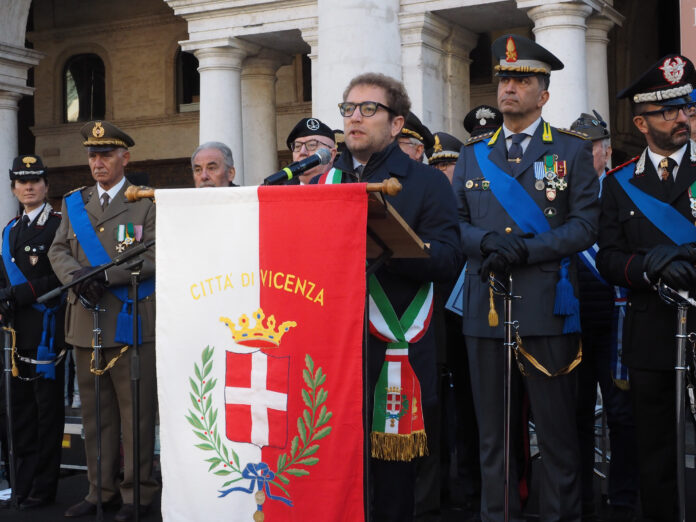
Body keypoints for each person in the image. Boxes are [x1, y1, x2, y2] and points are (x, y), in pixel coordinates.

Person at [452, 34, 599, 520]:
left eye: (522, 80)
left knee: (556, 436)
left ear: (544, 93)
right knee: (494, 436)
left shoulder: (572, 152)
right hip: (486, 308)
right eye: (505, 79)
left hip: (546, 307)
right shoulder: (474, 154)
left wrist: (526, 249)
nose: (509, 88)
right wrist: (487, 243)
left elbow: (584, 225)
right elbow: (455, 224)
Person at [313, 72, 462, 521]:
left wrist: (385, 244)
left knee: (393, 491)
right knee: (333, 475)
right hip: (332, 351)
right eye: (348, 109)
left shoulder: (425, 182)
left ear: (396, 125)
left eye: (368, 109)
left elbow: (449, 260)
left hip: (396, 353)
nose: (354, 118)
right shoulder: (325, 182)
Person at [596, 54, 696, 522]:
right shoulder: (619, 184)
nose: (681, 118)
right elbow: (609, 258)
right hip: (650, 334)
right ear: (641, 121)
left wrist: (684, 259)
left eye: (686, 108)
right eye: (668, 111)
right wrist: (649, 269)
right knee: (655, 450)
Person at [48, 120, 158, 521]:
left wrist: (102, 275)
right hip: (85, 321)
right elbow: (58, 250)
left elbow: (155, 255)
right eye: (93, 156)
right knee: (96, 417)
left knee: (137, 416)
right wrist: (75, 278)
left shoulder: (146, 202)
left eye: (106, 155)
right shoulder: (75, 202)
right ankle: (100, 490)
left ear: (124, 157)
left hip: (130, 321)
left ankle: (138, 494)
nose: (98, 162)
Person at [569, 111, 638, 521]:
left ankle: (625, 499)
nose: (582, 155)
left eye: (589, 148)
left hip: (617, 319)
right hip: (573, 320)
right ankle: (582, 501)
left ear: (605, 151)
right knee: (575, 414)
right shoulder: (559, 198)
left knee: (622, 415)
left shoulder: (621, 190)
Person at [0, 155, 66, 510]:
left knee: (47, 417)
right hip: (15, 338)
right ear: (13, 187)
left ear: (46, 186)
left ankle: (43, 488)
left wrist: (20, 294)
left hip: (47, 333)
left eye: (35, 180)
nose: (28, 187)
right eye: (22, 182)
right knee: (20, 416)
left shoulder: (58, 225)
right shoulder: (10, 229)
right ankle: (21, 485)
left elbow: (62, 276)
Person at [284, 117, 337, 185]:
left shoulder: (347, 186)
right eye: (297, 146)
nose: (302, 152)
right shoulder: (281, 192)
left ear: (331, 155)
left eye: (312, 145)